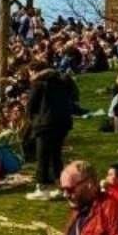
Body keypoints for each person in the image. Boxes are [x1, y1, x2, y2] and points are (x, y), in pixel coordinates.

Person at [25, 61, 75, 201]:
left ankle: (42, 187)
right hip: (62, 122)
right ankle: (60, 186)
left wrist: (32, 120)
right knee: (56, 156)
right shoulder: (62, 81)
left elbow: (31, 106)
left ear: (34, 71)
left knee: (42, 156)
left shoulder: (38, 83)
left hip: (45, 123)